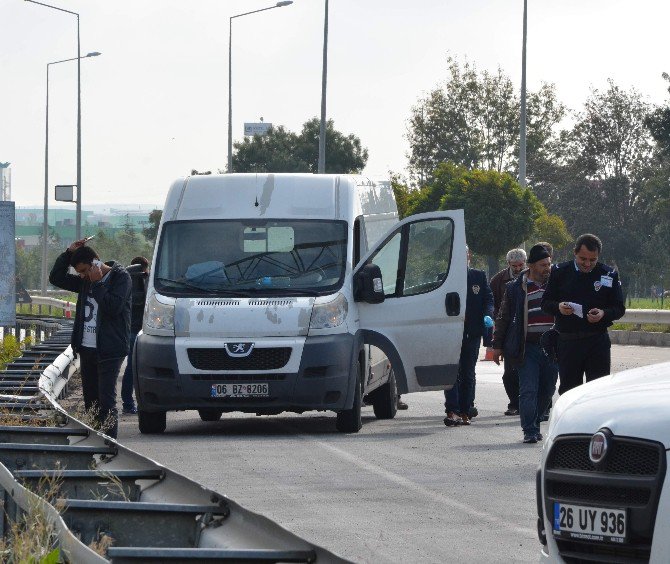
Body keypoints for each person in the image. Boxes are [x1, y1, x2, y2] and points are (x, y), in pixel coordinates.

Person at [49, 239, 131, 439]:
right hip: (87, 348)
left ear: (95, 262)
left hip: (110, 349)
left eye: (85, 271)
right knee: (91, 403)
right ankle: (94, 446)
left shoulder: (121, 278)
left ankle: (110, 447)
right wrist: (69, 253)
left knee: (107, 402)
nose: (83, 276)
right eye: (81, 273)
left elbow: (113, 308)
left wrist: (97, 283)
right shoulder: (85, 281)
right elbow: (56, 277)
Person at [541, 233, 625, 395]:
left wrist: (603, 313)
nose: (587, 264)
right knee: (569, 391)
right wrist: (559, 307)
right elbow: (545, 303)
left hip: (597, 341)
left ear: (598, 256)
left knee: (598, 391)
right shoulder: (559, 272)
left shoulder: (608, 274)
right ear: (575, 253)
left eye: (592, 260)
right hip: (568, 341)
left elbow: (619, 308)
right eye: (582, 259)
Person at [492, 244, 557, 443]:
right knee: (528, 389)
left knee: (547, 390)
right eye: (542, 265)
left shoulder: (556, 284)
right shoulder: (515, 288)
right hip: (526, 347)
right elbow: (503, 317)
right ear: (531, 266)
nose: (547, 268)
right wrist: (497, 346)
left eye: (548, 264)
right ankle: (529, 430)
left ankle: (536, 421)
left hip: (552, 348)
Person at [444, 248, 493, 427]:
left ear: (469, 256)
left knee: (468, 373)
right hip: (450, 333)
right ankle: (452, 410)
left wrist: (488, 315)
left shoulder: (478, 276)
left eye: (464, 255)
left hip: (472, 333)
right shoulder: (444, 277)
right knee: (451, 372)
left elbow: (488, 299)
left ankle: (466, 410)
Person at [489, 248, 526, 416]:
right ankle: (514, 403)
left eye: (521, 265)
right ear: (508, 264)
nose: (518, 269)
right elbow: (494, 306)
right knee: (510, 373)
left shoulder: (533, 277)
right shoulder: (498, 280)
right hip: (509, 331)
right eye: (514, 265)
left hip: (528, 330)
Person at [120, 256, 150, 415]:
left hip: (128, 330)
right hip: (145, 331)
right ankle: (146, 402)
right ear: (145, 268)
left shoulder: (124, 282)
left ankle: (127, 403)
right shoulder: (147, 282)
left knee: (130, 369)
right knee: (144, 369)